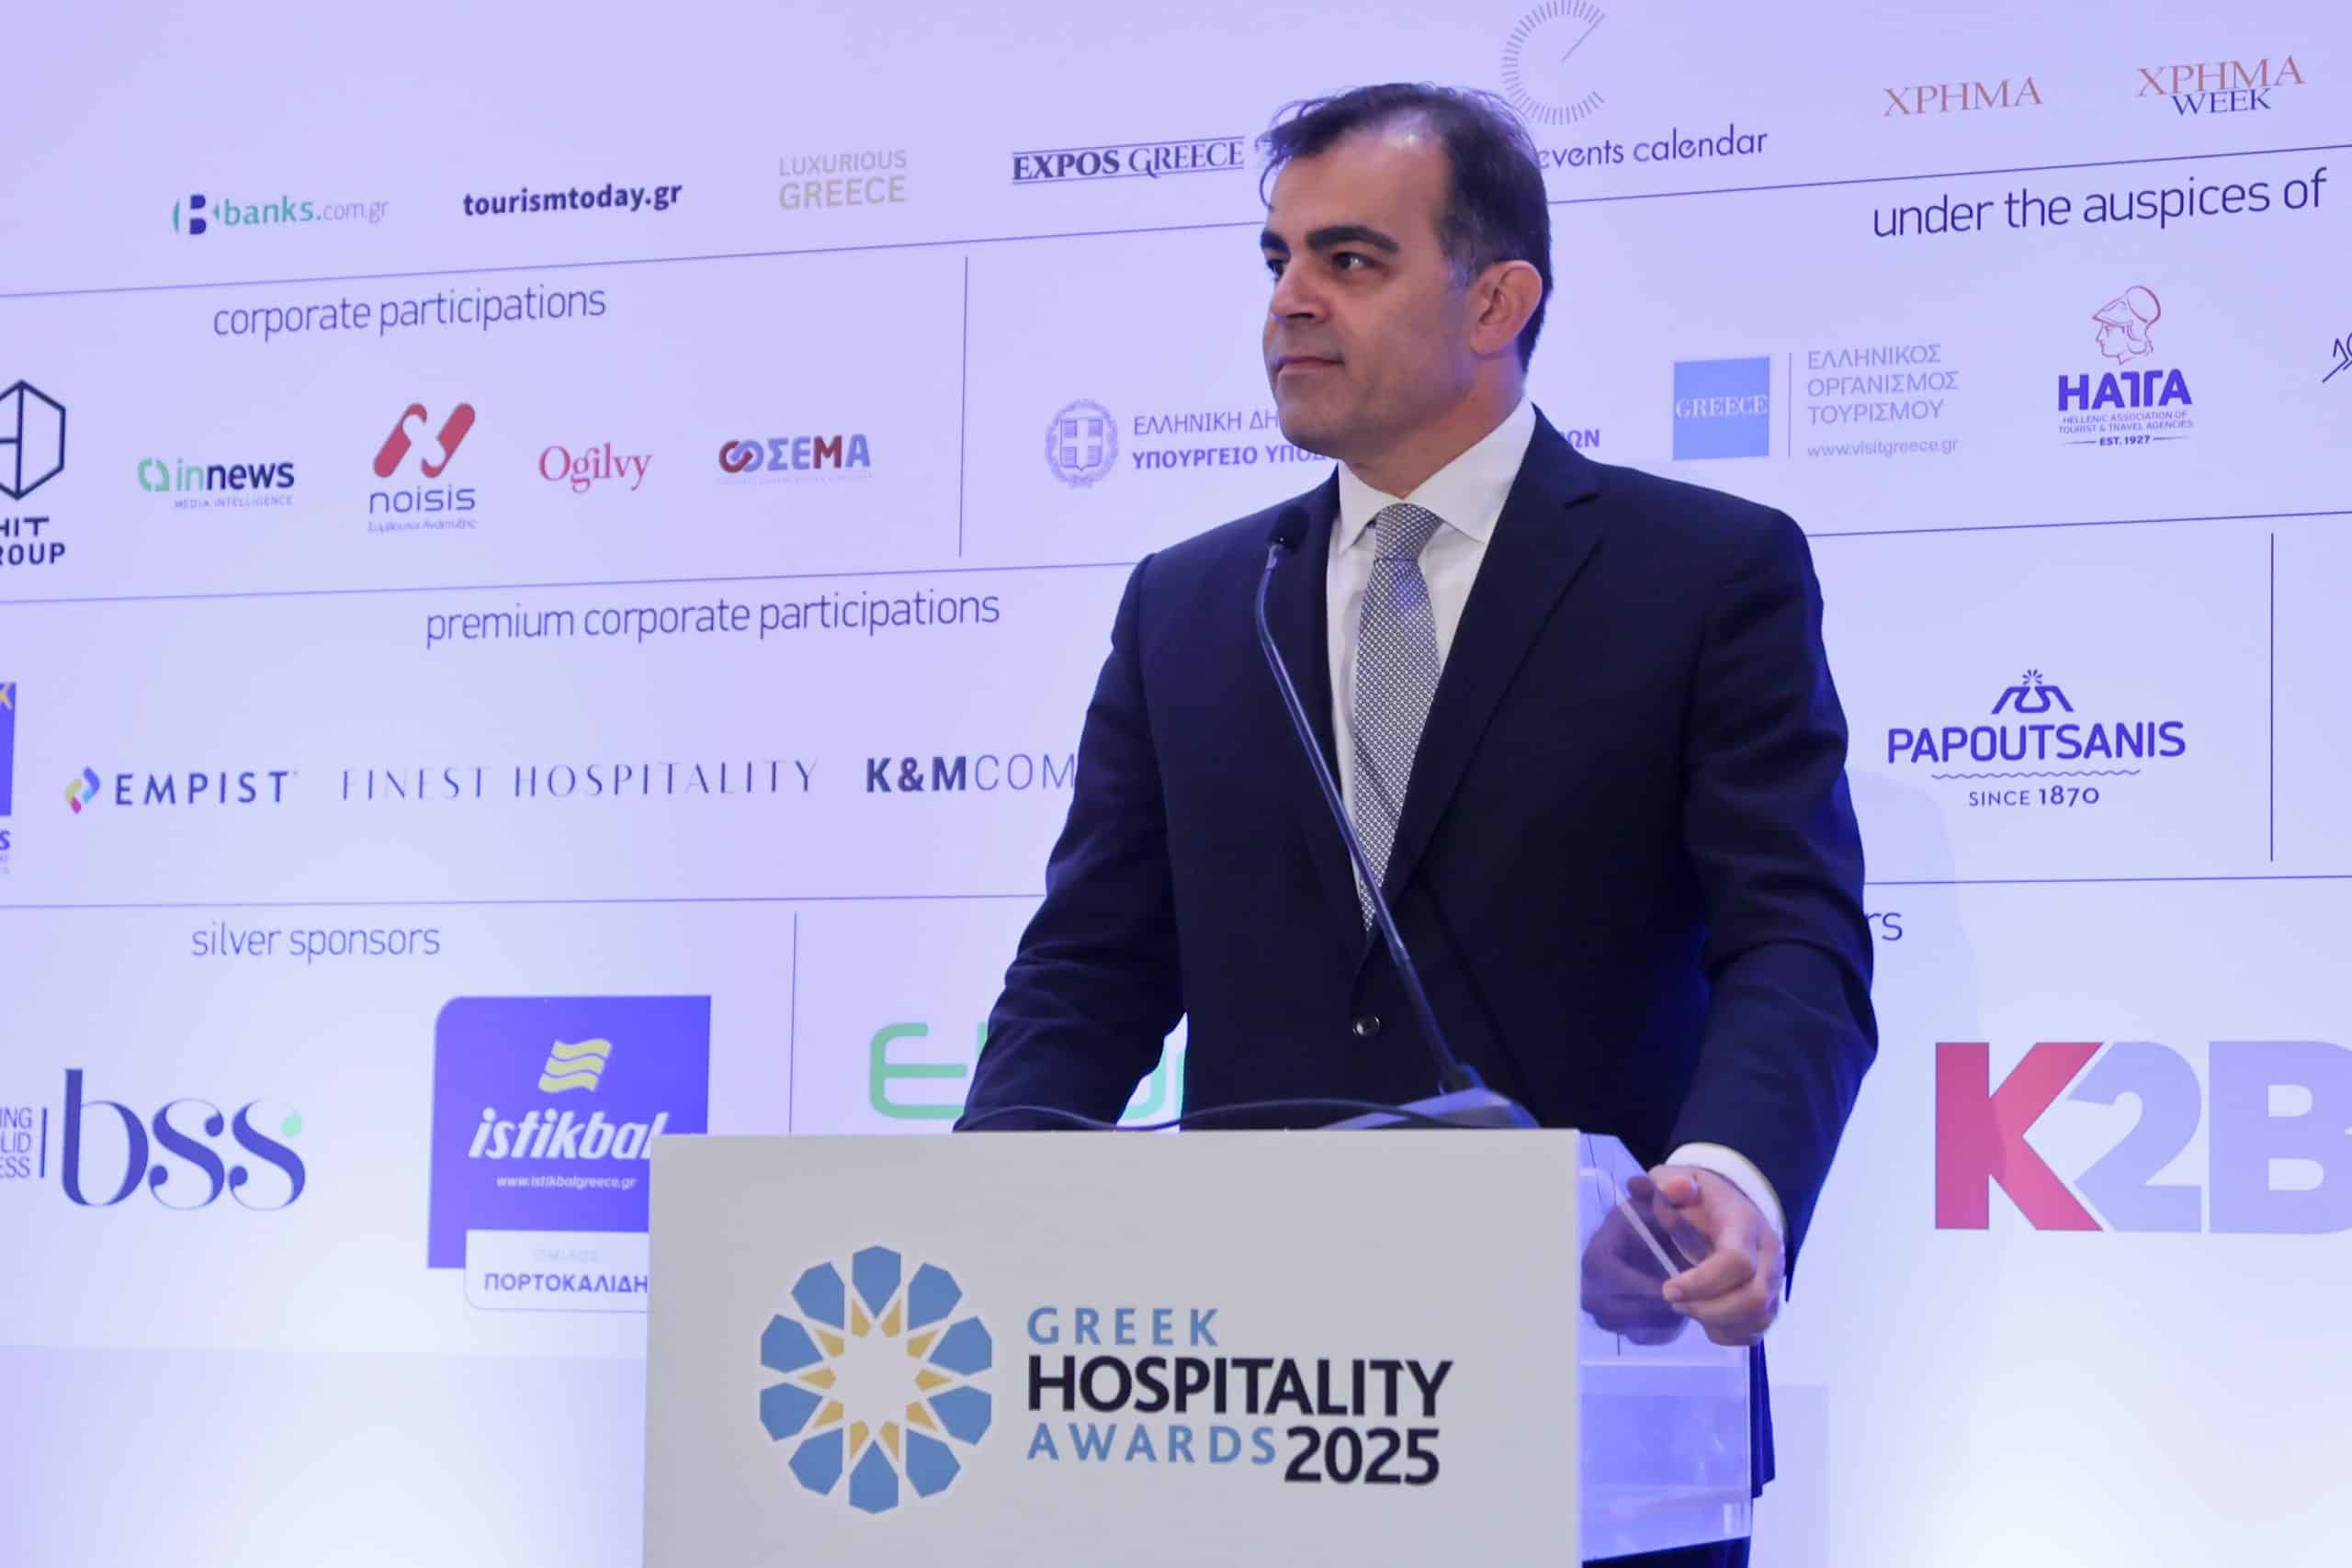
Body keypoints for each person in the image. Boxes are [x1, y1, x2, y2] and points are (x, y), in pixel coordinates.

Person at [957, 82, 1876, 1568]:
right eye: (1278, 261)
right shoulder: (1194, 601)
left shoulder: (1707, 574)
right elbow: (1092, 964)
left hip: (1597, 1371)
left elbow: (1796, 940)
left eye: (1351, 259)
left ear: (1497, 299)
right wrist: (982, 1200)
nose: (1290, 302)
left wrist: (1737, 1174)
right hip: (1239, 1397)